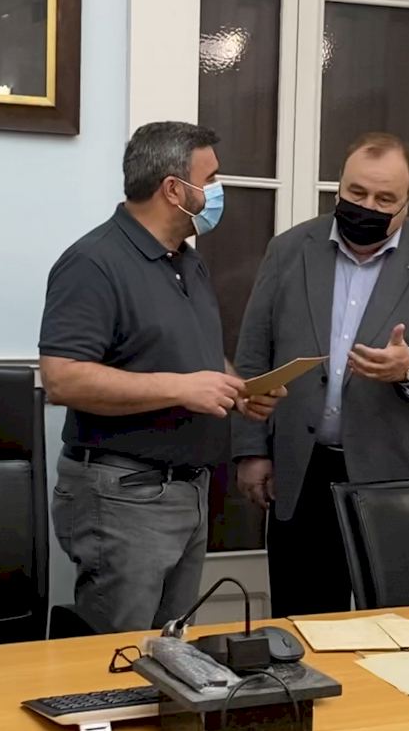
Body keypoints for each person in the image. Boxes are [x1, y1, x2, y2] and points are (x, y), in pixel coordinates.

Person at [233, 132, 409, 618]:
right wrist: (251, 450)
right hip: (303, 471)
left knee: (404, 627)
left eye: (384, 199)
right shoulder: (289, 250)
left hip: (401, 476)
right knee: (304, 627)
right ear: (338, 186)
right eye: (356, 192)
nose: (367, 206)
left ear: (407, 203)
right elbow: (253, 355)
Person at [40, 121, 283, 634]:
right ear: (174, 189)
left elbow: (194, 355)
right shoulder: (93, 262)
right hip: (124, 495)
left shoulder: (188, 263)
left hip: (187, 491)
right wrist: (181, 388)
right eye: (210, 179)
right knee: (117, 656)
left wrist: (240, 392)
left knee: (171, 651)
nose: (218, 191)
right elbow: (62, 379)